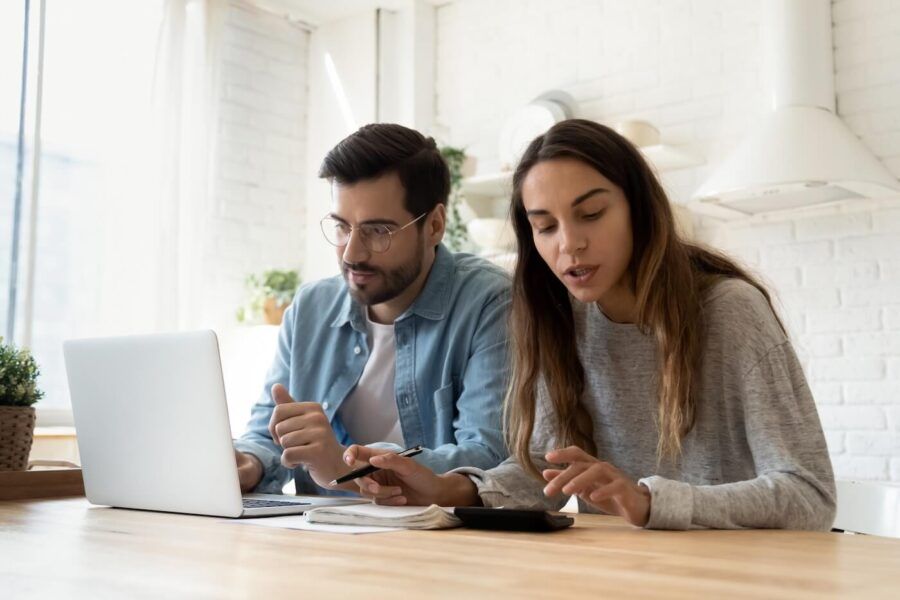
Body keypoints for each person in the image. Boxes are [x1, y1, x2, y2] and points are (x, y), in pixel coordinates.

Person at [346, 119, 836, 530]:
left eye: (592, 214)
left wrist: (648, 501)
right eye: (546, 226)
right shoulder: (559, 319)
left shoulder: (731, 312)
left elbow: (809, 494)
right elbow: (542, 474)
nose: (570, 244)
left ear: (638, 210)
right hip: (623, 574)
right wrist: (445, 489)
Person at [233, 123, 510, 495]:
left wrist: (346, 463)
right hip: (321, 540)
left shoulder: (490, 303)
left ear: (435, 225)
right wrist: (247, 464)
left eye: (378, 231)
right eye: (342, 227)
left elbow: (489, 458)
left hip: (436, 542)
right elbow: (269, 434)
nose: (351, 253)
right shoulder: (310, 308)